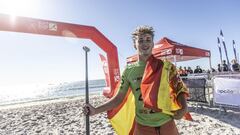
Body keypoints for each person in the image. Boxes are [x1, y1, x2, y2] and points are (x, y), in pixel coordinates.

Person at [83, 26, 189, 135]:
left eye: (148, 40)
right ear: (135, 44)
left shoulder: (166, 66)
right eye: (141, 40)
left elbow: (179, 88)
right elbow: (118, 98)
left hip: (167, 124)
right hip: (143, 127)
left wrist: (184, 107)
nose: (145, 43)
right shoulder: (129, 70)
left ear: (153, 44)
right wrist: (95, 110)